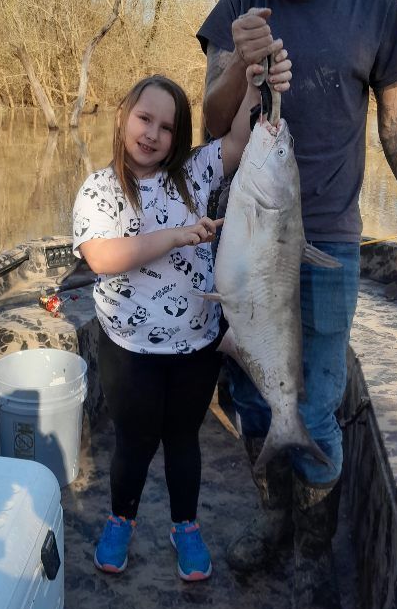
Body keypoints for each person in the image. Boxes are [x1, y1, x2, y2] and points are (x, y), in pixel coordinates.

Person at [197, 0, 397, 609]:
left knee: (319, 406)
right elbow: (209, 119)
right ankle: (274, 518)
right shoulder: (238, 5)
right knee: (253, 398)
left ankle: (309, 555)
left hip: (326, 242)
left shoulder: (376, 8)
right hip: (249, 249)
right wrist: (240, 60)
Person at [72, 64, 291, 582]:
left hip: (196, 343)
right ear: (124, 117)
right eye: (144, 118)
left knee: (182, 439)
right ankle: (121, 518)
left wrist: (255, 85)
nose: (152, 134)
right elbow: (101, 257)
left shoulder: (194, 173)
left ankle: (185, 527)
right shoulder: (99, 189)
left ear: (179, 137)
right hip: (128, 348)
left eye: (167, 127)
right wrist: (175, 235)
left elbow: (240, 138)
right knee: (134, 439)